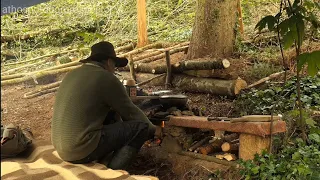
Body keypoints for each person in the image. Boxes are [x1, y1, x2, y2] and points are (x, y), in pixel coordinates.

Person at [51, 41, 162, 170]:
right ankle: (113, 171)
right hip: (79, 149)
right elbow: (130, 112)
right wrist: (154, 129)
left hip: (61, 147)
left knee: (111, 115)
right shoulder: (106, 78)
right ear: (109, 62)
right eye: (115, 65)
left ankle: (104, 159)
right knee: (140, 128)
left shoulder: (71, 75)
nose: (115, 69)